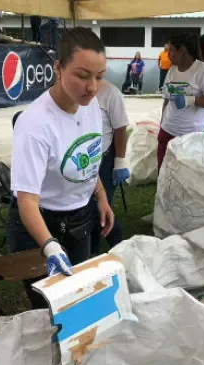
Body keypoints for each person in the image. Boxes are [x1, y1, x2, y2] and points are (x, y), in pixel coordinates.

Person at [8, 27, 114, 309]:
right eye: (83, 76)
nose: (92, 87)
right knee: (49, 310)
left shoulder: (91, 106)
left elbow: (88, 157)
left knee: (78, 299)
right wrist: (49, 245)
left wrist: (101, 195)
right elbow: (27, 200)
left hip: (79, 218)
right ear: (58, 68)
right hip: (40, 223)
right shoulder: (35, 124)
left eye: (99, 77)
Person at [158, 32, 204, 172]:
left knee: (191, 176)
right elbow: (166, 100)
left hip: (194, 135)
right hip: (168, 132)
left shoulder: (203, 70)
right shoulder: (172, 70)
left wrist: (189, 100)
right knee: (165, 174)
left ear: (182, 50)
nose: (168, 55)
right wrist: (162, 123)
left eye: (171, 50)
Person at [91, 79, 129, 254]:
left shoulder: (111, 93)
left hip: (104, 161)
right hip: (83, 162)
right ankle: (91, 252)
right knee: (89, 210)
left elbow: (120, 129)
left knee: (99, 209)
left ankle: (117, 247)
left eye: (98, 75)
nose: (92, 84)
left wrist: (119, 162)